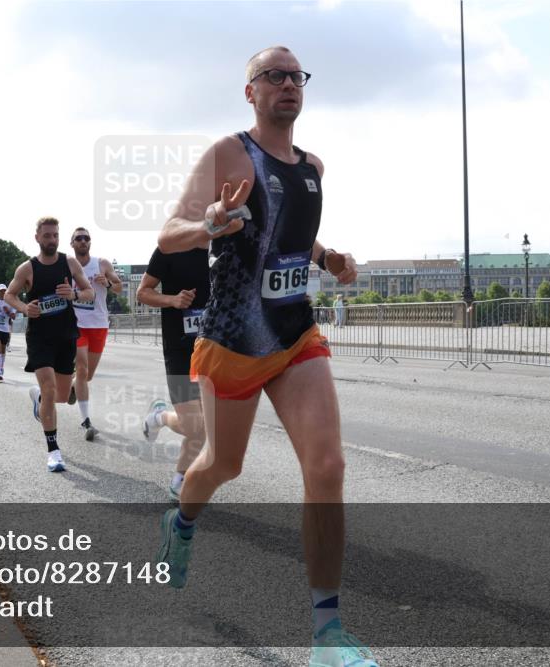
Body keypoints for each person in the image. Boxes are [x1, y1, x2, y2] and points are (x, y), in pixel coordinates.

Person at [154, 46, 375, 666]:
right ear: (250, 91)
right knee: (222, 465)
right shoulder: (229, 153)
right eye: (273, 75)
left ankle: (327, 636)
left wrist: (328, 258)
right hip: (233, 338)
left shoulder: (313, 167)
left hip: (295, 332)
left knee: (327, 466)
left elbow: (293, 234)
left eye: (295, 75)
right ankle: (181, 522)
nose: (288, 83)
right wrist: (210, 224)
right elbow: (169, 232)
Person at [3, 217, 93, 473]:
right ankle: (53, 451)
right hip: (40, 338)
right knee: (51, 389)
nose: (52, 240)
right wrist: (24, 308)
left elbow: (90, 292)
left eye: (55, 235)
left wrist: (74, 294)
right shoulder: (27, 268)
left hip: (66, 335)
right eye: (47, 236)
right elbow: (9, 294)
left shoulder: (70, 262)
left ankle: (40, 399)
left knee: (60, 396)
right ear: (37, 238)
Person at [137, 247, 210, 501]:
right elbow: (142, 292)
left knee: (206, 425)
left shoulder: (226, 244)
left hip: (216, 346)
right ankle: (159, 417)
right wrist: (173, 300)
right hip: (180, 348)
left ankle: (180, 480)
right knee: (193, 425)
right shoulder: (170, 247)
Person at [69, 227, 124, 441]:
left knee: (87, 375)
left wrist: (108, 283)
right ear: (72, 243)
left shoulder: (102, 263)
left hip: (99, 324)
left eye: (86, 238)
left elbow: (119, 287)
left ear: (90, 242)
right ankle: (86, 421)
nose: (83, 241)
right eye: (79, 238)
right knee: (82, 369)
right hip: (76, 324)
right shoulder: (67, 265)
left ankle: (73, 386)